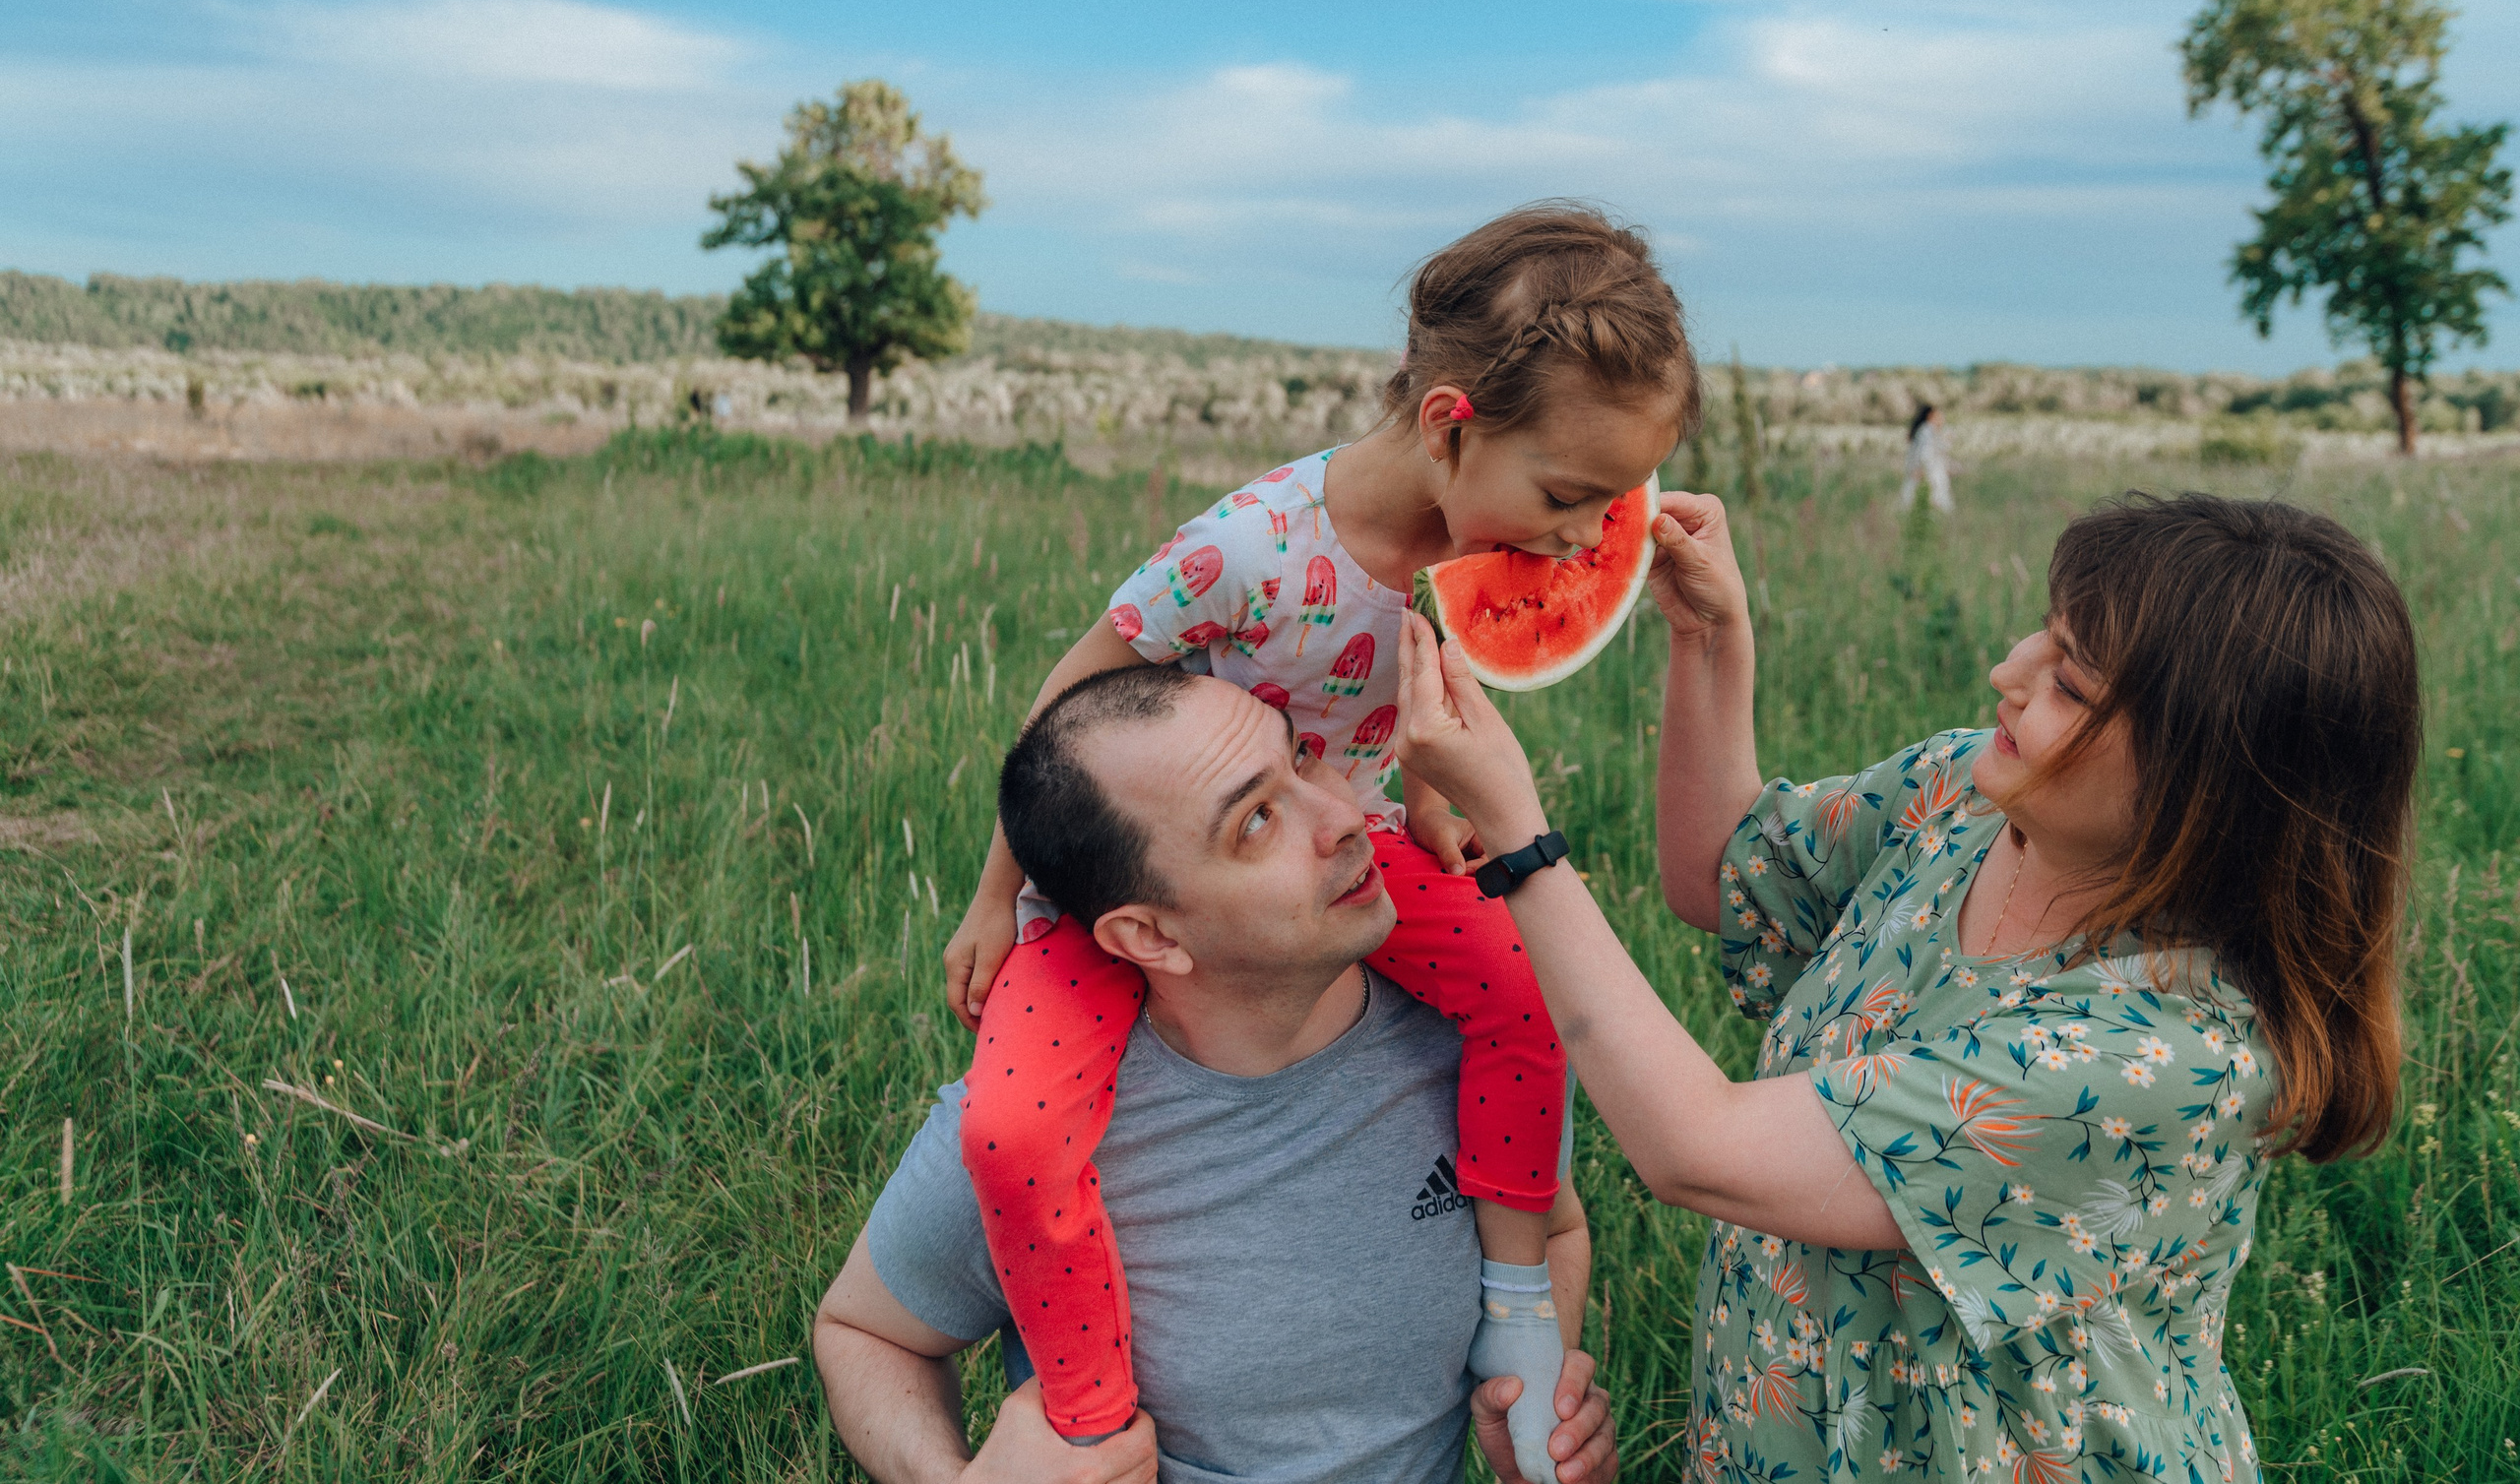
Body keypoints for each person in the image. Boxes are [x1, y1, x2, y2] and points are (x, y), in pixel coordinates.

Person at [1391, 490, 2418, 1484]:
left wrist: (1521, 843)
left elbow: (1697, 1148)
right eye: (2041, 638)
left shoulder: (2162, 1059)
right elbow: (1723, 871)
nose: (2006, 670)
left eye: (2069, 682)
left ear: (2202, 782)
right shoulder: (1965, 795)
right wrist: (1709, 636)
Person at [938, 202, 1697, 1468]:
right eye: (1570, 494)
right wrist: (991, 896)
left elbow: (1396, 713)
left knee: (1521, 988)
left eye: (1616, 501)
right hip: (1141, 875)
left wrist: (1442, 810)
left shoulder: (1466, 546)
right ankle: (1089, 1419)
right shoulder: (1245, 549)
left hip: (1344, 844)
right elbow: (1060, 720)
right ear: (1452, 424)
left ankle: (1510, 1303)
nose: (1580, 537)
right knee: (1012, 1134)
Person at [814, 667, 1620, 1484]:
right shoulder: (1032, 1143)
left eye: (1303, 759)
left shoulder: (1475, 1040)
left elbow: (1553, 1227)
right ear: (1151, 936)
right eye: (1257, 820)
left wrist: (1528, 1404)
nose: (1347, 817)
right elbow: (863, 1332)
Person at [1898, 402, 1953, 513]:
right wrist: (1923, 470)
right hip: (1929, 474)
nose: (1942, 418)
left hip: (1928, 473)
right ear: (1931, 416)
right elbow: (1925, 454)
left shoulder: (1928, 431)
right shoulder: (1926, 431)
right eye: (1939, 415)